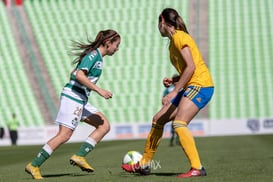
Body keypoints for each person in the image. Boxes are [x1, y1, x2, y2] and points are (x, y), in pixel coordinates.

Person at [122, 8, 214, 178]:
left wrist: (174, 91)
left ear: (163, 21)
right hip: (191, 85)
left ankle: (197, 168)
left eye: (158, 24)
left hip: (201, 85)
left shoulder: (179, 37)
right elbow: (188, 67)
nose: (158, 27)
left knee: (179, 123)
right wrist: (175, 80)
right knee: (158, 120)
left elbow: (192, 67)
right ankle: (144, 165)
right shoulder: (173, 42)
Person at [25, 29, 121, 179]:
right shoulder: (93, 56)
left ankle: (80, 156)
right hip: (73, 97)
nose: (117, 49)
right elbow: (78, 75)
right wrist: (99, 90)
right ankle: (34, 165)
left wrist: (82, 79)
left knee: (104, 125)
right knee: (64, 135)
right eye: (117, 45)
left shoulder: (97, 58)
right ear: (108, 43)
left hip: (81, 98)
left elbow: (74, 72)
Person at [162, 74, 179, 147]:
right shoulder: (170, 88)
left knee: (178, 125)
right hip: (173, 108)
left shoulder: (181, 87)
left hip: (177, 107)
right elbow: (164, 96)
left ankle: (177, 141)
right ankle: (173, 141)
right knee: (176, 125)